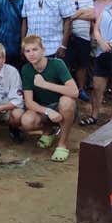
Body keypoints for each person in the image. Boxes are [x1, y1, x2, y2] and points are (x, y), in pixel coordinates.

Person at [19, 34, 78, 162]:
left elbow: (74, 92)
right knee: (27, 121)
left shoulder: (57, 64)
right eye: (27, 51)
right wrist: (47, 111)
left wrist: (45, 84)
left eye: (35, 49)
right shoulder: (26, 69)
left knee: (66, 101)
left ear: (43, 50)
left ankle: (62, 143)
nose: (31, 54)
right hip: (44, 110)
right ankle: (48, 131)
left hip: (62, 107)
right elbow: (29, 102)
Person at [66, 0, 96, 103]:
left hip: (84, 37)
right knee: (67, 64)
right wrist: (82, 13)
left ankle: (81, 89)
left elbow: (93, 15)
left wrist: (75, 15)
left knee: (82, 64)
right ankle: (67, 90)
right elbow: (64, 16)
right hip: (69, 36)